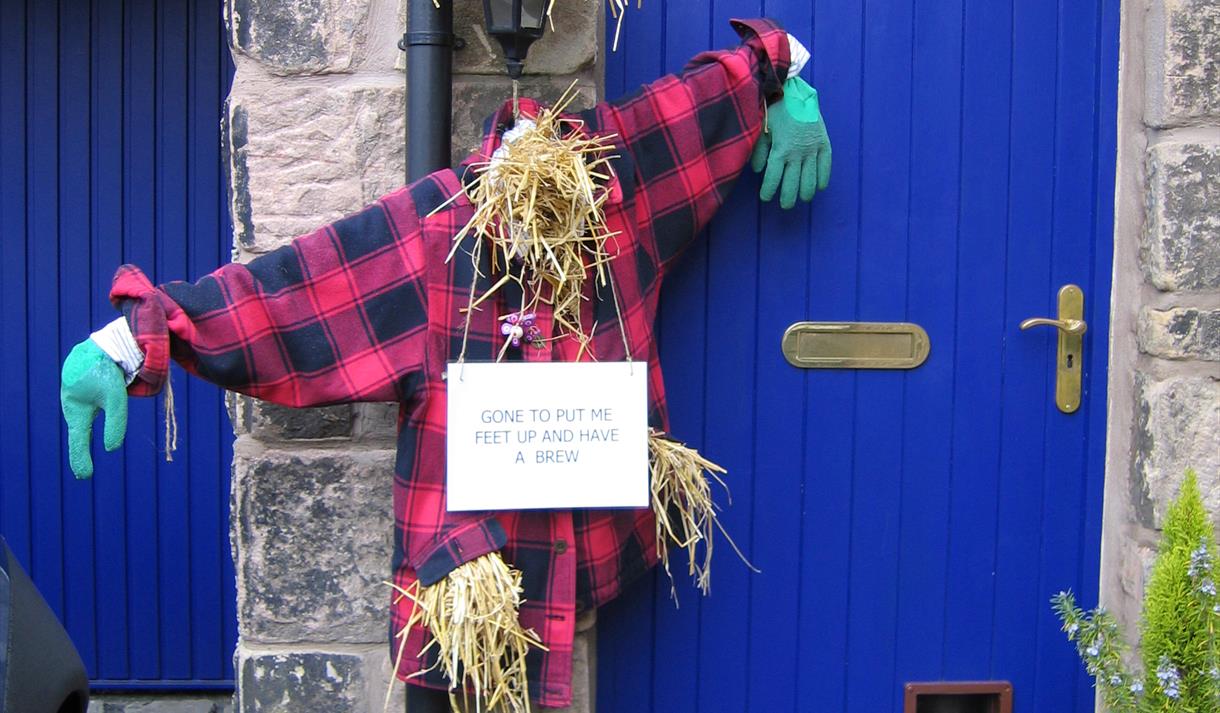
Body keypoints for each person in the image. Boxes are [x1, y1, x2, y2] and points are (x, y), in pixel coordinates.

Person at [59, 18, 830, 710]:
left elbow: (702, 100)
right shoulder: (434, 233)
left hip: (592, 543)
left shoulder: (622, 183)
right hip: (465, 576)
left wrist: (782, 81)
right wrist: (129, 340)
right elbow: (292, 293)